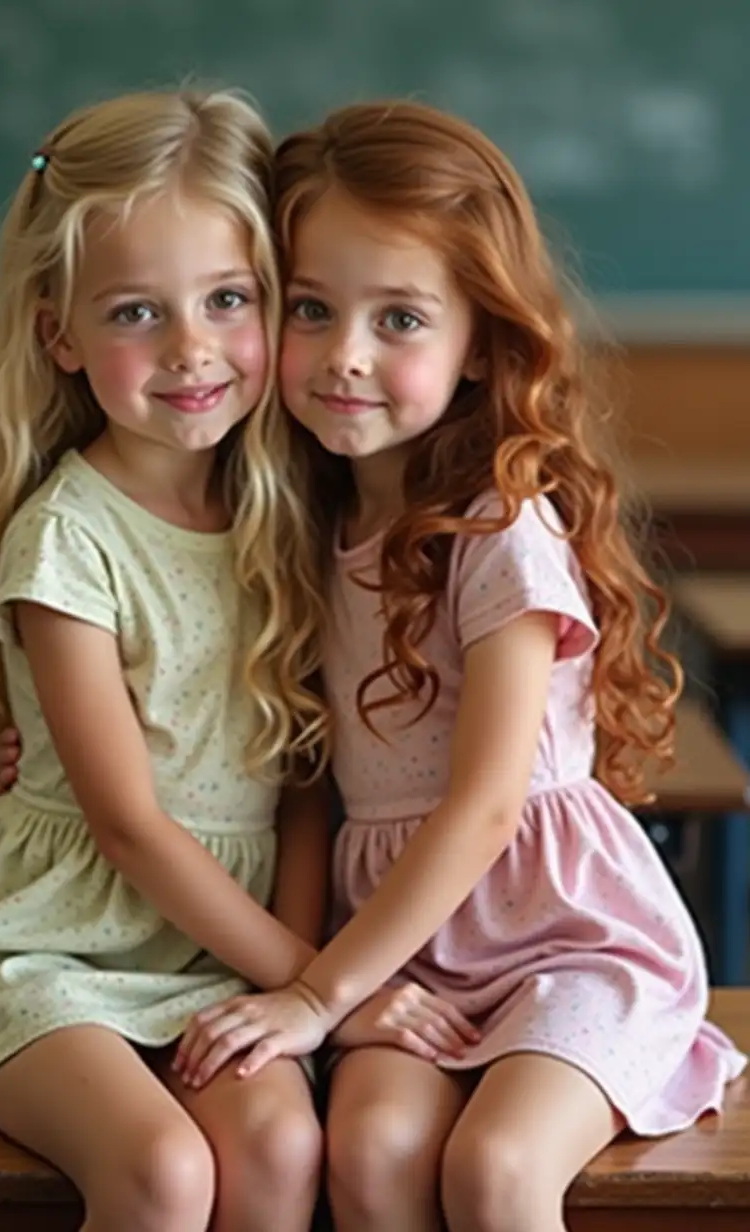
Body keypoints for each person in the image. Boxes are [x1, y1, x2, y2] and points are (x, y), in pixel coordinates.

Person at [174, 101, 748, 1232]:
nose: (347, 354)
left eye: (399, 319)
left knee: (493, 1170)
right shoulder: (303, 527)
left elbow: (486, 806)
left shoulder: (498, 528)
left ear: (482, 341)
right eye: (312, 310)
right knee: (376, 1148)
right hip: (411, 951)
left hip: (570, 942)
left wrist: (315, 991)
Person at [0, 89, 331, 1232]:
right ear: (59, 333)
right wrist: (318, 982)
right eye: (136, 312)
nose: (191, 349)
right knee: (164, 1172)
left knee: (277, 1143)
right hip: (50, 951)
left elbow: (311, 778)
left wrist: (301, 982)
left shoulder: (294, 516)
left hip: (224, 951)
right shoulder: (65, 540)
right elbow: (127, 824)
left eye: (229, 300)